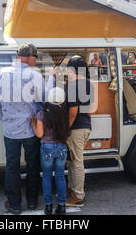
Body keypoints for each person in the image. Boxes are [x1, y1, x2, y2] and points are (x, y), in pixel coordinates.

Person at [0, 43, 45, 214]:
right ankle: (32, 202)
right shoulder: (34, 75)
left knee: (12, 166)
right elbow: (44, 99)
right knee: (32, 165)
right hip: (30, 129)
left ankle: (14, 204)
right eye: (35, 57)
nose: (36, 61)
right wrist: (37, 114)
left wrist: (4, 118)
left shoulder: (2, 73)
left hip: (10, 130)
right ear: (28, 57)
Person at [30, 87, 70, 215]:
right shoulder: (65, 113)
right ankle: (62, 206)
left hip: (47, 147)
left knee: (46, 177)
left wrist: (33, 123)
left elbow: (39, 134)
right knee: (60, 176)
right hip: (62, 147)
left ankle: (48, 206)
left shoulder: (42, 114)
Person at [65, 56, 94, 207]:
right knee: (72, 161)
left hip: (76, 128)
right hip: (86, 126)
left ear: (72, 70)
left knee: (76, 162)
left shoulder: (73, 86)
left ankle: (78, 196)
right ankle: (72, 190)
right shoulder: (90, 84)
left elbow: (73, 111)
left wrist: (66, 128)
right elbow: (89, 110)